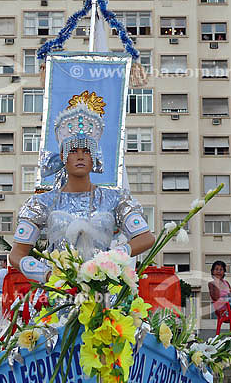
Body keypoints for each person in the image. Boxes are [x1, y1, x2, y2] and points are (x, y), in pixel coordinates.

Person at [10, 90, 155, 283]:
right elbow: (16, 255)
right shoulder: (42, 202)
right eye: (73, 151)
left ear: (94, 157)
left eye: (86, 150)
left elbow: (146, 238)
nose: (80, 156)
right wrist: (46, 274)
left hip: (104, 291)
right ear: (62, 157)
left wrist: (111, 259)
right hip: (59, 294)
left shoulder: (115, 198)